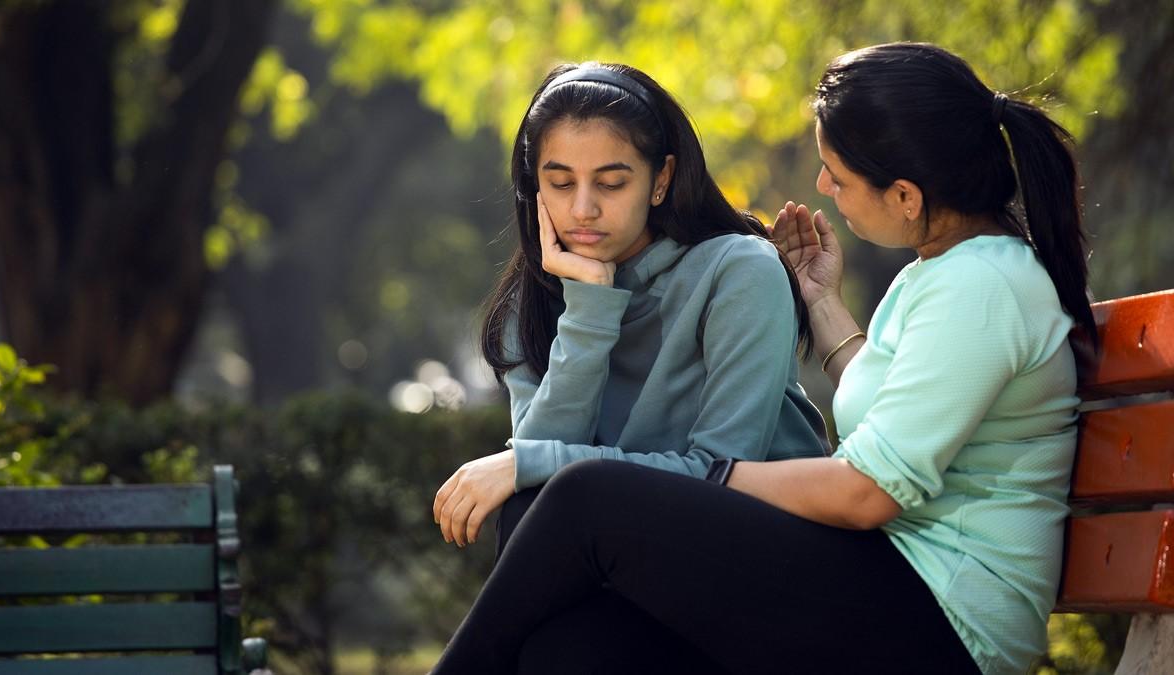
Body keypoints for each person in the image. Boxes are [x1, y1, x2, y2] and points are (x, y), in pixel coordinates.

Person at [430, 42, 1095, 675]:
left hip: (944, 620)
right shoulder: (947, 275)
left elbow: (868, 492)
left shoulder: (980, 288)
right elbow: (896, 406)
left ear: (906, 196)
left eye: (837, 169)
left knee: (581, 492)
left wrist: (713, 474)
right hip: (892, 584)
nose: (822, 183)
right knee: (570, 650)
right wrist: (821, 299)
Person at [431, 61, 829, 558]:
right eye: (560, 183)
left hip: (764, 550)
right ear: (533, 187)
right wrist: (590, 306)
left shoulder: (738, 271)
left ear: (660, 179)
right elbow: (537, 490)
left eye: (611, 183)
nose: (582, 209)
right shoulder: (531, 306)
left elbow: (725, 474)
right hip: (631, 559)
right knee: (527, 504)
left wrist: (536, 465)